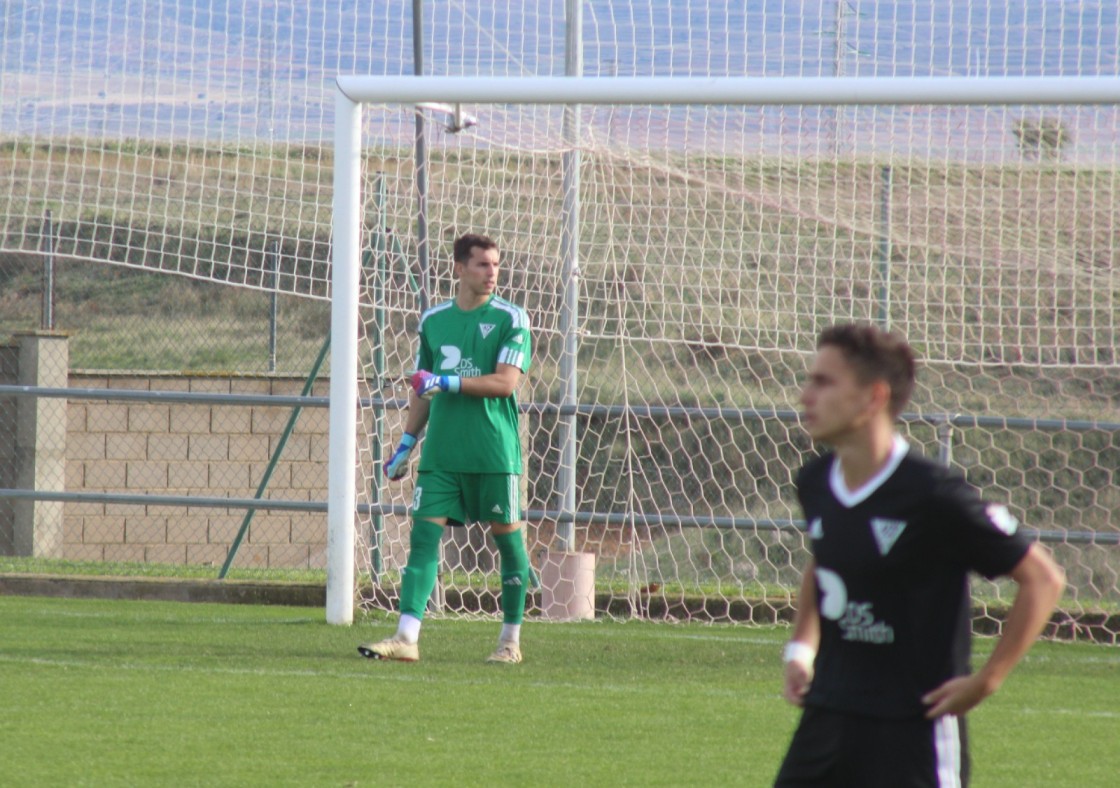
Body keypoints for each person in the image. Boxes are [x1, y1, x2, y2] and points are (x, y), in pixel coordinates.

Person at [775, 323, 1065, 787]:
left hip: (913, 725)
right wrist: (801, 647)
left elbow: (1043, 579)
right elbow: (825, 558)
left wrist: (986, 680)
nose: (806, 395)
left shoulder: (934, 495)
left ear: (873, 397)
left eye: (823, 382)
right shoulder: (814, 481)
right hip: (827, 715)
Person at [358, 233, 532, 665]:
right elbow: (422, 389)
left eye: (495, 264)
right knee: (422, 538)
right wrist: (405, 444)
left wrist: (448, 382)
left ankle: (509, 640)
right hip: (441, 455)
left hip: (494, 453)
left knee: (508, 544)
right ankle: (406, 637)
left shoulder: (513, 318)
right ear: (459, 268)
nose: (492, 273)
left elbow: (506, 383)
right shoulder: (434, 321)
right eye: (482, 265)